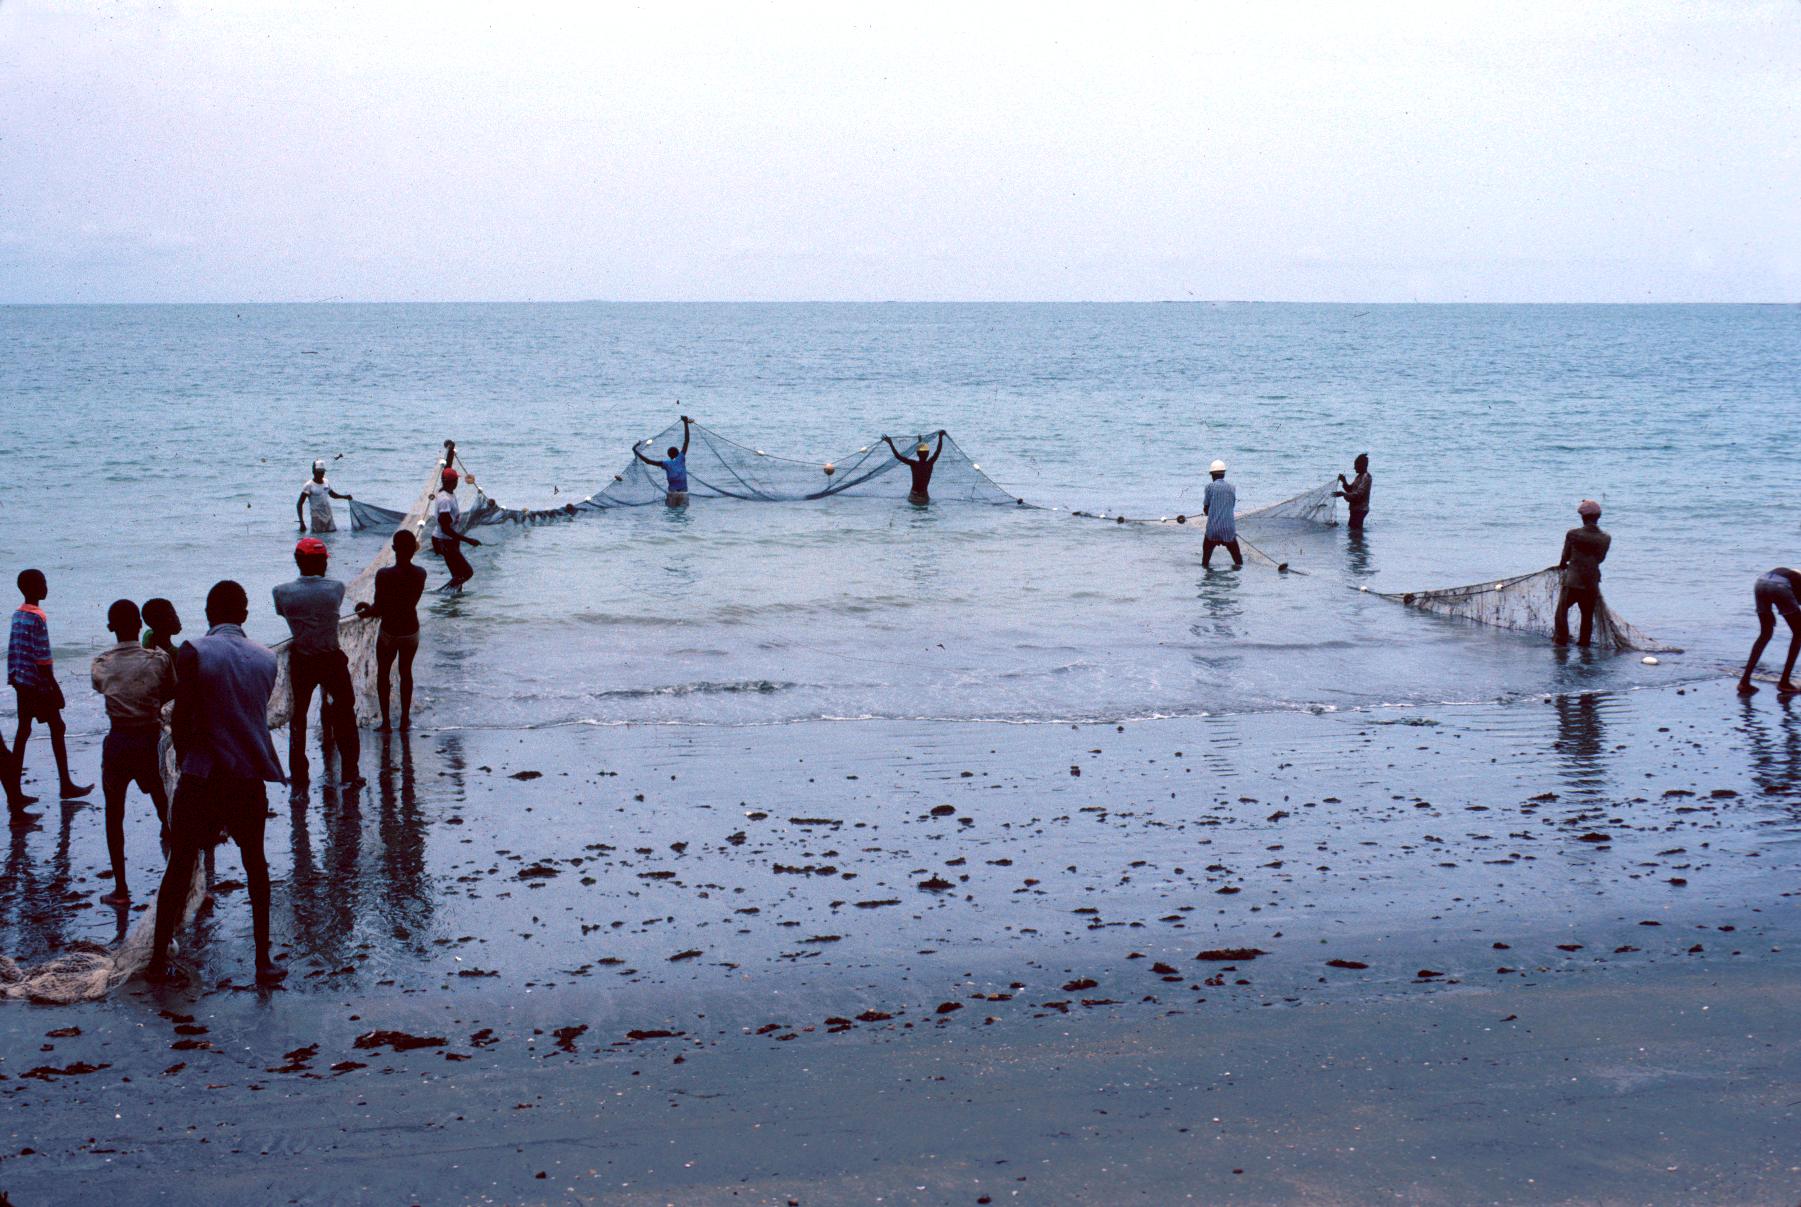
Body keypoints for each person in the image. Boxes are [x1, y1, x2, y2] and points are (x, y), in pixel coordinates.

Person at [146, 580, 288, 986]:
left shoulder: (194, 650)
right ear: (243, 614)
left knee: (180, 865)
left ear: (208, 614)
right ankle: (263, 961)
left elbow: (185, 715)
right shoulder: (266, 658)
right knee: (255, 865)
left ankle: (157, 959)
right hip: (247, 777)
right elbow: (251, 712)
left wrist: (190, 761)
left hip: (204, 775)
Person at [90, 599, 175, 904]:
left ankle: (122, 889)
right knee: (165, 810)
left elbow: (102, 687)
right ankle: (181, 882)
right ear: (140, 625)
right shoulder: (159, 660)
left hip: (119, 741)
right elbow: (171, 691)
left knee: (115, 815)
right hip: (149, 740)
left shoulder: (101, 663)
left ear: (110, 627)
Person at [272, 537, 362, 786]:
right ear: (323, 562)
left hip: (302, 659)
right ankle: (350, 772)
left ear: (298, 561)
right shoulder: (335, 588)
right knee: (345, 714)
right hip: (331, 658)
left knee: (297, 716)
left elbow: (282, 612)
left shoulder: (281, 592)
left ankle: (299, 774)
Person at [9, 569, 92, 801]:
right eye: (43, 583)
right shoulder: (38, 616)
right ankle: (65, 784)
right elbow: (43, 658)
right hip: (37, 684)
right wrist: (54, 687)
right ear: (34, 588)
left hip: (21, 682)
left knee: (23, 732)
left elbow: (14, 651)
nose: (46, 587)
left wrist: (13, 679)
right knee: (57, 727)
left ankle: (14, 790)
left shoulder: (17, 614)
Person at [355, 530, 427, 730]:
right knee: (406, 672)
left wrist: (365, 610)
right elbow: (405, 602)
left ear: (394, 549)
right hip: (411, 630)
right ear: (414, 549)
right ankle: (404, 721)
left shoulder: (384, 574)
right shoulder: (421, 573)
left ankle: (386, 722)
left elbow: (379, 608)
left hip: (390, 631)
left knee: (383, 674)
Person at [1554, 500, 1612, 647]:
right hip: (1592, 582)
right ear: (1598, 517)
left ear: (1583, 518)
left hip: (1573, 581)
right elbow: (1600, 559)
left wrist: (1562, 565)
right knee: (1587, 616)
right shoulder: (1605, 538)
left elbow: (1565, 557)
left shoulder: (1573, 534)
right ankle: (1584, 644)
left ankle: (1561, 641)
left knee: (1561, 612)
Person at [1738, 568, 1801, 696]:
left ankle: (1744, 682)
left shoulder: (1793, 573)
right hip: (1780, 586)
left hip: (1760, 583)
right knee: (1799, 634)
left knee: (1765, 633)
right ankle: (1784, 682)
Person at [431, 467, 482, 591]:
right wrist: (468, 540)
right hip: (444, 540)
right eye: (455, 480)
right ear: (450, 482)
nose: (457, 483)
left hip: (449, 540)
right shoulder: (445, 500)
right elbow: (445, 529)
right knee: (467, 573)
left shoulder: (447, 493)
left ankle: (453, 603)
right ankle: (442, 593)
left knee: (458, 575)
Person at [633, 415, 693, 507]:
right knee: (681, 513)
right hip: (683, 493)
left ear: (669, 455)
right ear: (678, 453)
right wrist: (685, 423)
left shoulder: (666, 463)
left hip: (672, 493)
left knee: (672, 512)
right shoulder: (681, 458)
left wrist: (636, 451)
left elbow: (648, 461)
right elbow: (686, 441)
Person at [883, 432, 945, 505]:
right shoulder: (930, 463)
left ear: (917, 454)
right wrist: (940, 437)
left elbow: (898, 456)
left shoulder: (913, 464)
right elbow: (938, 451)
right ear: (928, 454)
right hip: (924, 497)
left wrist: (890, 443)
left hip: (913, 497)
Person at [1201, 460, 1242, 569]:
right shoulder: (1232, 487)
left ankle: (1207, 576)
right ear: (1223, 474)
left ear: (1212, 475)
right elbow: (1231, 506)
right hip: (1229, 530)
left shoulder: (1209, 487)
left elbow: (1206, 509)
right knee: (1238, 561)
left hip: (1213, 531)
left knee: (1205, 561)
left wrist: (1209, 511)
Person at [296, 459, 351, 533]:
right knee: (318, 537)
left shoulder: (326, 482)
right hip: (316, 517)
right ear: (314, 472)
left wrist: (345, 497)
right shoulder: (309, 485)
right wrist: (301, 522)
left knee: (331, 537)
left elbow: (332, 495)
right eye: (319, 472)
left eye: (322, 472)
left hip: (328, 514)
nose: (321, 474)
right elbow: (299, 504)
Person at [1335, 453, 1373, 532]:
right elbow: (1350, 490)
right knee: (1353, 530)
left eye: (1356, 465)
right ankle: (1358, 543)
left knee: (1355, 530)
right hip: (1356, 509)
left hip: (1361, 509)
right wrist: (1344, 481)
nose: (1354, 468)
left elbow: (1358, 494)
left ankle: (1358, 543)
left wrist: (1343, 494)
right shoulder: (1359, 477)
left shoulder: (1366, 477)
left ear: (1362, 465)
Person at [141, 597, 183, 662]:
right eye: (172, 615)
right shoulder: (177, 655)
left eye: (175, 614)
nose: (177, 618)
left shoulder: (148, 635)